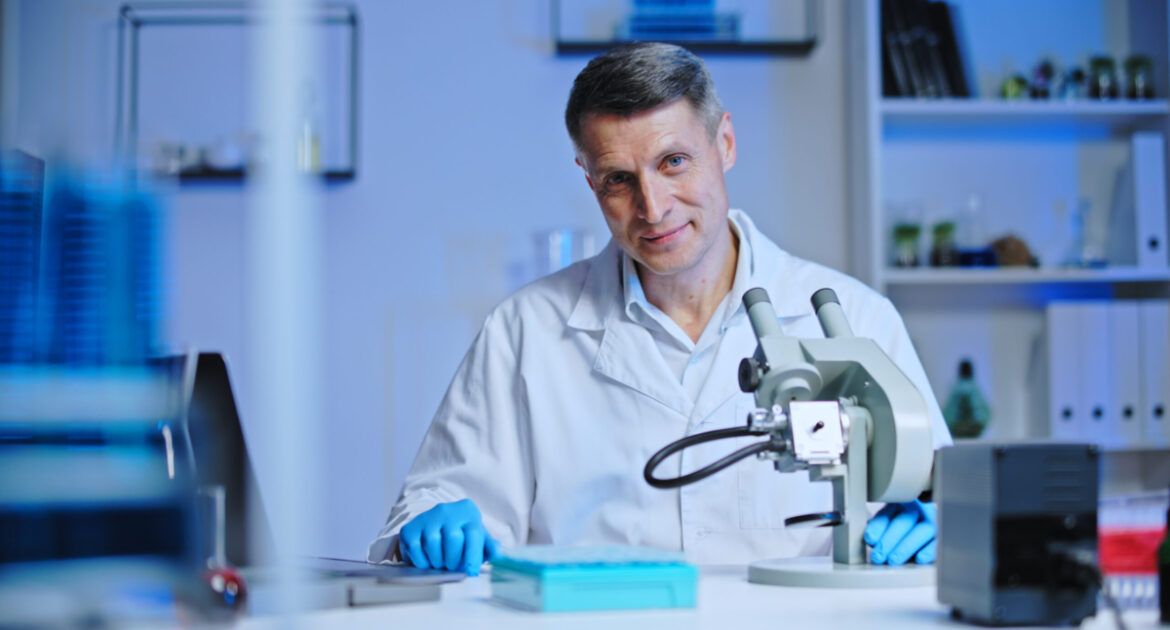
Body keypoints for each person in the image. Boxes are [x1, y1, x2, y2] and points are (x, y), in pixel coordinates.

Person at [368, 43, 950, 575]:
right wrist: (428, 526)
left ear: (724, 143)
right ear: (589, 180)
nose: (653, 207)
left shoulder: (857, 320)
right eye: (619, 179)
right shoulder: (527, 331)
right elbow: (433, 502)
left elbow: (946, 499)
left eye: (674, 162)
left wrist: (940, 524)